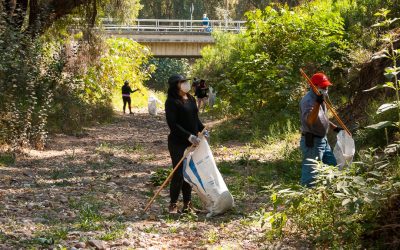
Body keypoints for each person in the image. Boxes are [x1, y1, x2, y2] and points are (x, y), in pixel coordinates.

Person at [165, 74, 209, 214]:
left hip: (192, 143)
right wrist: (188, 136)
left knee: (188, 173)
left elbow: (195, 119)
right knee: (178, 173)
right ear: (175, 85)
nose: (185, 84)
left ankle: (187, 204)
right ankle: (173, 204)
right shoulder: (171, 101)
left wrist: (202, 130)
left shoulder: (190, 98)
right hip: (177, 142)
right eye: (182, 82)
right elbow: (173, 124)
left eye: (186, 81)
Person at [299, 73, 343, 187]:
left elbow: (323, 118)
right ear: (314, 86)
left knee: (331, 166)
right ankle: (308, 196)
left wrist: (335, 128)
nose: (325, 89)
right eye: (323, 87)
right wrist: (317, 103)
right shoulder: (307, 101)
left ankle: (330, 192)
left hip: (323, 140)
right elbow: (310, 120)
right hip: (312, 141)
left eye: (326, 87)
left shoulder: (321, 99)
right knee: (311, 171)